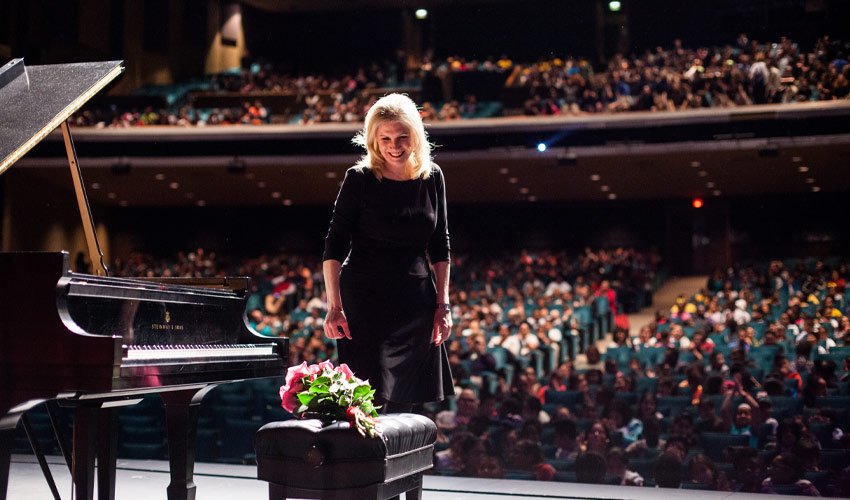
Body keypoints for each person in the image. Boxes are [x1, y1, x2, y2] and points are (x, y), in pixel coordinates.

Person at [322, 93, 453, 412]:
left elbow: (440, 245)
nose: (395, 145)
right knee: (368, 397)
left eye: (402, 137)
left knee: (407, 400)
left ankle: (399, 461)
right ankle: (366, 461)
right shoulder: (358, 179)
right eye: (386, 138)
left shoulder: (432, 176)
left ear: (415, 136)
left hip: (415, 299)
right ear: (373, 141)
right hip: (365, 297)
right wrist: (334, 306)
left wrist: (443, 305)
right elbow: (334, 244)